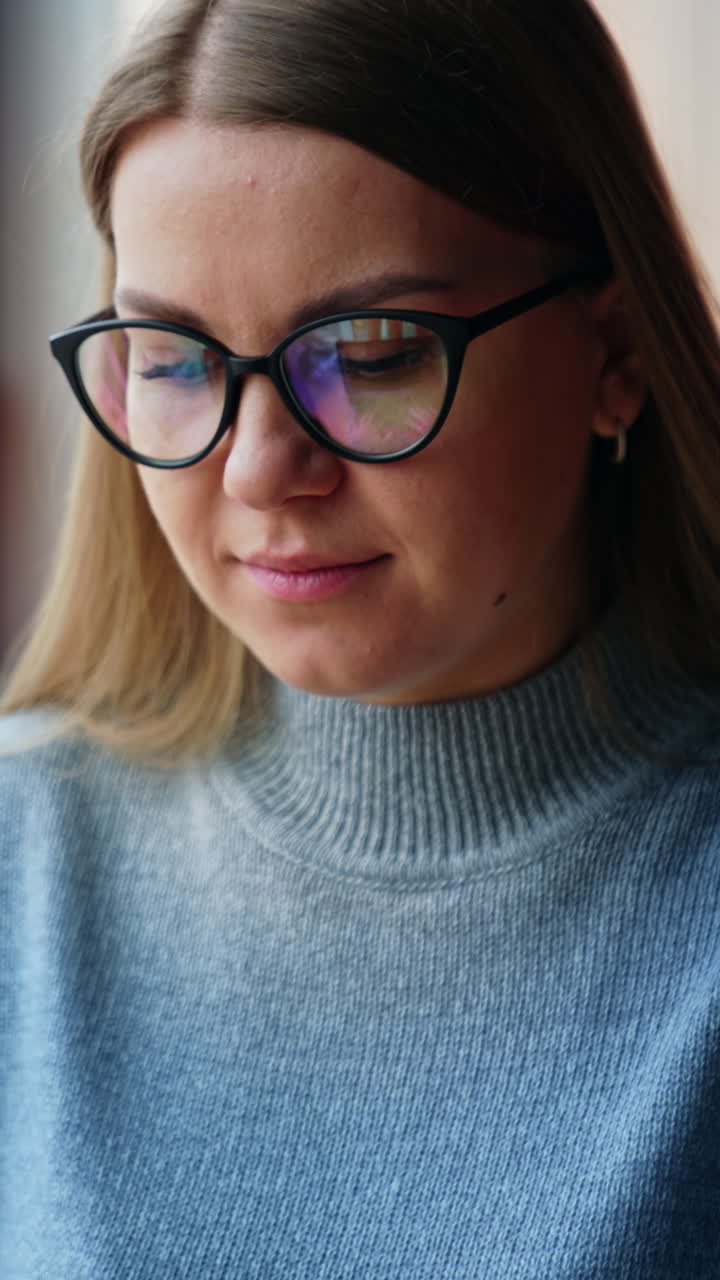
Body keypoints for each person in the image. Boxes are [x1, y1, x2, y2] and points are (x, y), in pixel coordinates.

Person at [2, 0, 719, 1274]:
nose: (262, 469)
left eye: (374, 352)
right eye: (172, 357)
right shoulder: (26, 852)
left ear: (612, 348)